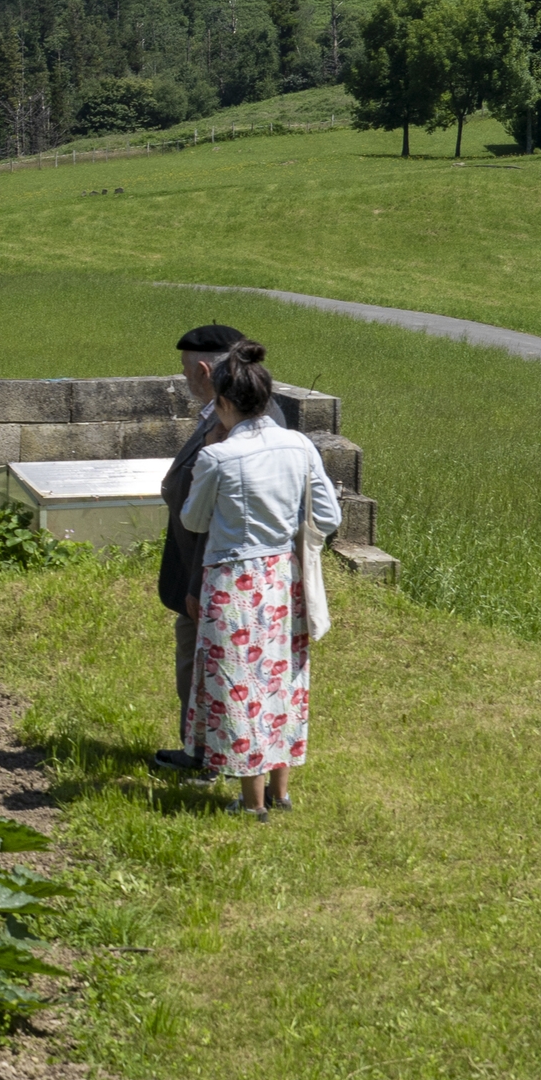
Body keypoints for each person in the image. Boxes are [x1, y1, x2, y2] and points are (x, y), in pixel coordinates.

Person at [177, 341, 340, 818]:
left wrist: (210, 455)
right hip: (284, 577)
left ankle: (251, 804)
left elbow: (194, 521)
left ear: (224, 401)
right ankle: (281, 793)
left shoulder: (221, 457)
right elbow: (326, 515)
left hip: (234, 581)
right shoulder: (300, 444)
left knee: (240, 684)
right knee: (283, 679)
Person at [151, 324, 244, 776]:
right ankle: (202, 747)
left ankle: (205, 754)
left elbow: (214, 520)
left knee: (202, 666)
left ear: (203, 369)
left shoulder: (227, 429)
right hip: (202, 571)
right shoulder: (221, 415)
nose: (184, 380)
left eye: (186, 371)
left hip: (206, 575)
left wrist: (195, 583)